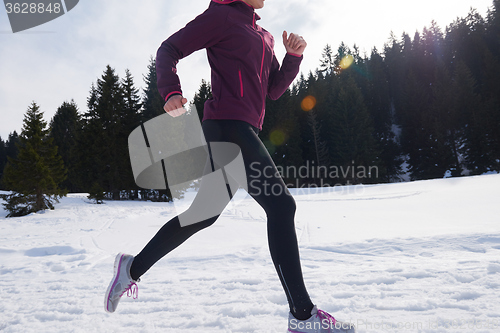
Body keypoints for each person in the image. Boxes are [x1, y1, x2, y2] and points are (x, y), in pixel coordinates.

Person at [104, 0, 356, 332]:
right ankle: (302, 315)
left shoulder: (263, 35)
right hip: (226, 125)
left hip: (243, 128)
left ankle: (131, 269)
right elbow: (169, 49)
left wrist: (293, 58)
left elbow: (273, 90)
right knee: (281, 207)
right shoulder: (221, 15)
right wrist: (170, 92)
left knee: (203, 215)